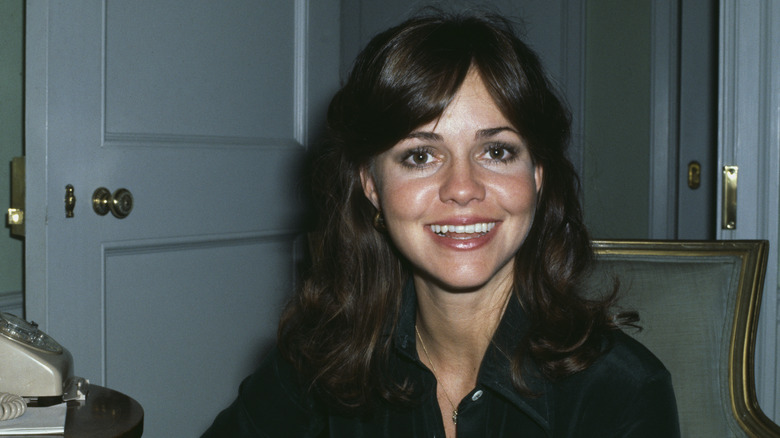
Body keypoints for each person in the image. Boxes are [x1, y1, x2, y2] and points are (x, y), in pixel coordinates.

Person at [203, 11, 680, 438]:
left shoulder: (621, 393)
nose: (462, 187)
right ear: (372, 185)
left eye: (497, 151)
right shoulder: (316, 360)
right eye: (420, 155)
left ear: (536, 177)